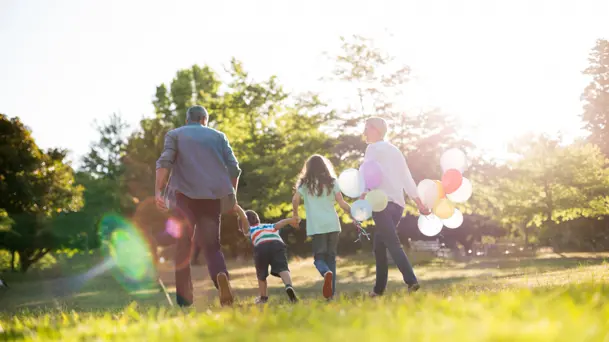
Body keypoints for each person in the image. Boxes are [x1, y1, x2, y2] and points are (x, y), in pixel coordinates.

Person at [155, 105, 241, 307]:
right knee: (212, 246)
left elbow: (165, 161)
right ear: (204, 119)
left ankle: (185, 299)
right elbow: (234, 169)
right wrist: (231, 194)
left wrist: (158, 191)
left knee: (183, 245)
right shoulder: (218, 136)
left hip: (183, 199)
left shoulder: (175, 134)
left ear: (187, 120)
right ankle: (221, 277)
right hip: (211, 198)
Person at [361, 117, 430, 297]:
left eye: (367, 128)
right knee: (379, 245)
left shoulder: (372, 148)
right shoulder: (395, 150)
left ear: (376, 129)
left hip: (380, 203)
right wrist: (419, 203)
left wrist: (362, 197)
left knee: (392, 243)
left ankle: (412, 281)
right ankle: (378, 290)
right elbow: (407, 178)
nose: (364, 132)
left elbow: (367, 173)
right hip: (398, 205)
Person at [292, 155, 352, 299]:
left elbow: (295, 199)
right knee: (331, 258)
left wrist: (295, 216)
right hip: (332, 224)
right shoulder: (332, 182)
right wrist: (353, 213)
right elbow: (341, 202)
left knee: (319, 258)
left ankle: (325, 273)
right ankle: (331, 294)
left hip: (317, 226)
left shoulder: (305, 184)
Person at [235, 205, 300, 304]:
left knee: (261, 274)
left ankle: (263, 297)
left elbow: (244, 219)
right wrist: (291, 220)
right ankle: (289, 286)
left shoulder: (249, 229)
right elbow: (279, 224)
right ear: (258, 220)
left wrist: (238, 210)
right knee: (283, 268)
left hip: (261, 246)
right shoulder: (268, 226)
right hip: (277, 244)